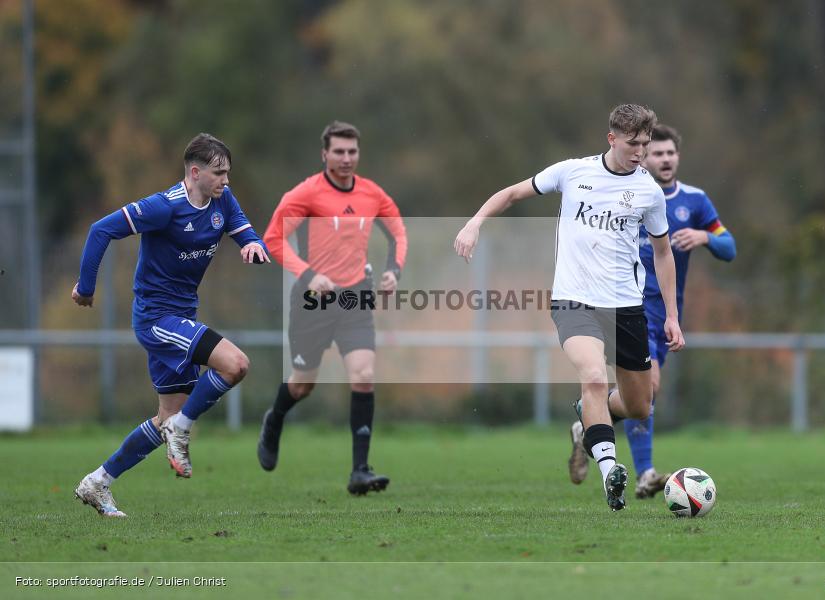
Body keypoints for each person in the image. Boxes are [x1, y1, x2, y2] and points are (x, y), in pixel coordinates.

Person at [455, 104, 685, 511]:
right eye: (633, 144)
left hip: (626, 307)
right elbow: (512, 193)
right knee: (593, 375)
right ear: (611, 138)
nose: (640, 153)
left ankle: (586, 423)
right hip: (573, 301)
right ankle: (610, 472)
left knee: (639, 406)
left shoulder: (649, 192)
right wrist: (475, 222)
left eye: (645, 146)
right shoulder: (572, 172)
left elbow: (663, 253)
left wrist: (671, 316)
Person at [72, 133, 270, 517]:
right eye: (218, 173)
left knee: (164, 417)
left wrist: (252, 244)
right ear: (195, 172)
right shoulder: (164, 207)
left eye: (228, 172)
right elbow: (101, 230)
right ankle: (182, 429)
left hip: (183, 317)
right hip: (156, 319)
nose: (226, 181)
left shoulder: (221, 200)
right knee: (236, 364)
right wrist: (85, 286)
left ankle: (98, 482)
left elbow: (242, 228)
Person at [567, 124, 736, 498]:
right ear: (643, 156)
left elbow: (730, 247)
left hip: (665, 312)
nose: (663, 159)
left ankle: (590, 421)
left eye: (669, 153)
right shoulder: (621, 192)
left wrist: (705, 237)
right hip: (623, 306)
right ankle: (645, 472)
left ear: (678, 156)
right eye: (656, 153)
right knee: (650, 388)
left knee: (642, 398)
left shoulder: (694, 202)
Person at [257, 121, 407, 496]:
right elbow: (273, 239)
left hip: (355, 297)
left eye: (352, 151)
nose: (346, 158)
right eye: (338, 151)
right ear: (324, 154)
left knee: (364, 374)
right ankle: (274, 419)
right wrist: (308, 275)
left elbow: (398, 231)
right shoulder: (306, 194)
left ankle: (360, 470)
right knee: (303, 384)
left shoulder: (373, 194)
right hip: (313, 302)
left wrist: (393, 271)